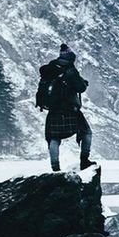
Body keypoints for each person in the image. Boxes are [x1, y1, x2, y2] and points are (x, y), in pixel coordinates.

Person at [36, 43, 96, 172]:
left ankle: (55, 168)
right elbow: (81, 88)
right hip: (70, 110)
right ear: (71, 58)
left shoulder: (49, 69)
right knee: (87, 132)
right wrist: (82, 81)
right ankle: (84, 161)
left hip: (53, 111)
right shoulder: (70, 71)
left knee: (54, 138)